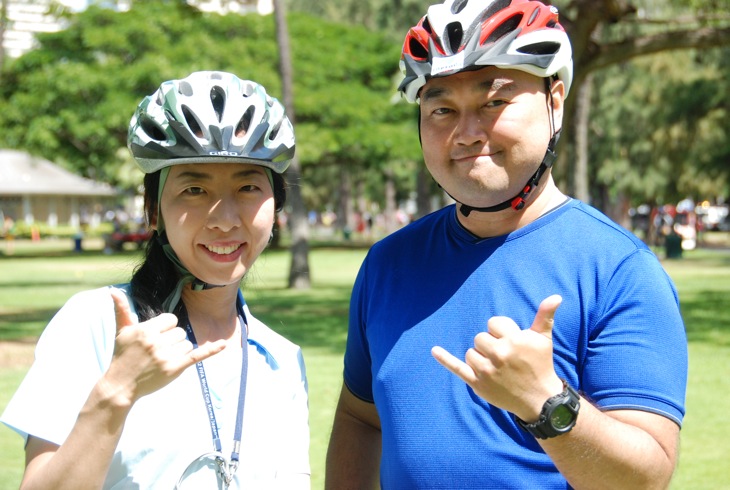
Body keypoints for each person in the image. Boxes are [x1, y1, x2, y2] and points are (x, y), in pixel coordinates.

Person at [325, 1, 688, 489]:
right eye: (441, 109)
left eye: (494, 102)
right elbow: (360, 416)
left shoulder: (620, 269)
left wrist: (546, 402)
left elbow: (646, 480)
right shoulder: (388, 263)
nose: (467, 132)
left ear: (554, 101)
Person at [2, 71, 310, 489]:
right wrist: (116, 393)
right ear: (153, 211)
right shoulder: (95, 325)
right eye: (194, 190)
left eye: (249, 187)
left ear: (276, 209)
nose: (225, 219)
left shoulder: (281, 359)